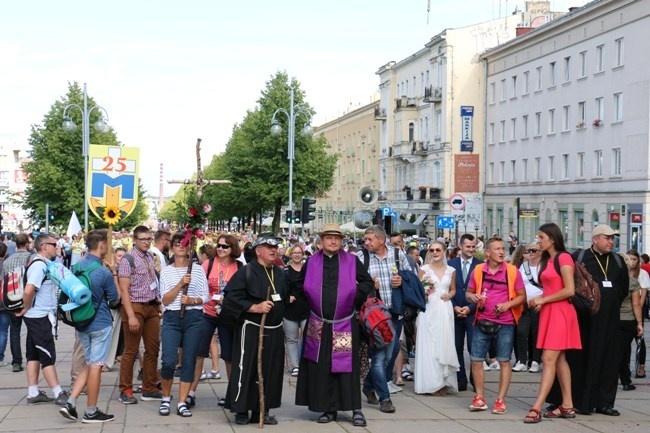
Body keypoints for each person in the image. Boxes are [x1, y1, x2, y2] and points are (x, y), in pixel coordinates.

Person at [295, 223, 374, 426]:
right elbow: (299, 286)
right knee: (323, 368)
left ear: (341, 241)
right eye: (329, 238)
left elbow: (367, 282)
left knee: (347, 368)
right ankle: (328, 408)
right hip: (318, 324)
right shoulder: (311, 262)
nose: (333, 241)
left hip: (344, 324)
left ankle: (356, 409)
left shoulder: (352, 261)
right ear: (321, 241)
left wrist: (355, 297)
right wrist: (308, 306)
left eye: (336, 238)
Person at [222, 232, 288, 425]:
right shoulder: (247, 271)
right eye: (269, 247)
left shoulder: (280, 272)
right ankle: (241, 410)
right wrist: (254, 307)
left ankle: (263, 409)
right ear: (258, 251)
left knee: (271, 370)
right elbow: (232, 299)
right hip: (251, 328)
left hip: (274, 328)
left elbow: (285, 295)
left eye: (275, 247)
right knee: (247, 368)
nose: (273, 250)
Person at [59, 230, 120, 423]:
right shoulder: (102, 271)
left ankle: (70, 402)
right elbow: (114, 300)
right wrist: (114, 273)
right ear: (101, 245)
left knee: (89, 362)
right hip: (100, 323)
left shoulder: (77, 267)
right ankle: (91, 411)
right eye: (106, 244)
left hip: (82, 323)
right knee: (96, 366)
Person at [524, 223, 581, 423]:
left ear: (553, 239)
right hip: (552, 311)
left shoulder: (564, 258)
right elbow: (552, 288)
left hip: (561, 312)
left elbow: (569, 290)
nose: (538, 240)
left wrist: (542, 300)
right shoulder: (549, 259)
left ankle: (537, 406)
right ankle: (567, 404)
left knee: (548, 359)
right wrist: (543, 300)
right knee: (558, 360)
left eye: (541, 237)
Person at [465, 236, 525, 414]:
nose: (501, 252)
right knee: (476, 360)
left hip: (505, 323)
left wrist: (508, 304)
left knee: (504, 361)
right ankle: (479, 397)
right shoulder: (478, 270)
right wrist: (473, 297)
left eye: (502, 249)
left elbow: (522, 296)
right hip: (481, 321)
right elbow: (468, 293)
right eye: (497, 249)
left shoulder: (512, 271)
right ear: (488, 252)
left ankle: (500, 400)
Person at [356, 225, 412, 413]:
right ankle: (385, 398)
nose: (367, 242)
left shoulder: (398, 255)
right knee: (380, 356)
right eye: (366, 239)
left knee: (391, 353)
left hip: (394, 313)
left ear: (381, 240)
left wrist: (402, 281)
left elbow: (410, 278)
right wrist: (368, 286)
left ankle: (369, 386)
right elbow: (353, 284)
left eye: (370, 239)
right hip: (373, 317)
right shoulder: (361, 257)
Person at [158, 231, 208, 417]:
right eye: (177, 243)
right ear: (171, 247)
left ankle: (181, 402)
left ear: (189, 247)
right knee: (169, 360)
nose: (180, 246)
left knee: (188, 361)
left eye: (184, 243)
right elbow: (165, 300)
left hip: (193, 318)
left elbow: (205, 296)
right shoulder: (166, 271)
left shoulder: (197, 269)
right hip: (172, 318)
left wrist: (192, 300)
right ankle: (165, 398)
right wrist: (180, 284)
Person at [16, 233, 69, 405]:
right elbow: (29, 290)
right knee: (47, 355)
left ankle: (33, 392)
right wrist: (25, 307)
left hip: (35, 315)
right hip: (39, 316)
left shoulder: (41, 263)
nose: (57, 246)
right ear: (45, 246)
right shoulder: (39, 265)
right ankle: (58, 393)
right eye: (54, 244)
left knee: (34, 354)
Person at [191, 234, 241, 407]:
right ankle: (190, 392)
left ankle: (232, 394)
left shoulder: (240, 267)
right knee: (198, 352)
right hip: (207, 313)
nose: (220, 249)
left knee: (229, 356)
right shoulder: (209, 264)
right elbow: (197, 285)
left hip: (228, 316)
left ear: (232, 249)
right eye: (219, 245)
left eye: (225, 246)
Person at [117, 226, 163, 405]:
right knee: (131, 350)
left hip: (151, 306)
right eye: (143, 239)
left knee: (153, 349)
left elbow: (153, 282)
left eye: (149, 239)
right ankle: (125, 389)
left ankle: (149, 387)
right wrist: (131, 315)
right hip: (135, 307)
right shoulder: (128, 259)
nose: (146, 242)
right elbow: (124, 290)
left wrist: (158, 303)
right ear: (134, 239)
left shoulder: (150, 256)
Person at [414, 240, 459, 395]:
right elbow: (418, 290)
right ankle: (431, 383)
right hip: (429, 308)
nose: (435, 253)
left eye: (438, 250)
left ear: (444, 251)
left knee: (444, 342)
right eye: (432, 250)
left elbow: (454, 289)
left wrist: (450, 295)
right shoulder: (423, 270)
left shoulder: (451, 270)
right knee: (429, 345)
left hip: (444, 308)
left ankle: (443, 381)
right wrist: (425, 294)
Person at [448, 233, 483, 391]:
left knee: (474, 347)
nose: (471, 249)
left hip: (473, 313)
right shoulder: (451, 264)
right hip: (455, 312)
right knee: (456, 347)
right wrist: (455, 306)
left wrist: (470, 308)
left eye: (473, 247)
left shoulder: (480, 265)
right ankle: (460, 379)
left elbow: (483, 291)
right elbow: (448, 289)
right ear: (460, 246)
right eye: (468, 246)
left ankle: (475, 379)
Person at [2, 233, 33, 372]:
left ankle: (16, 362)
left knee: (14, 331)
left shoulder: (8, 261)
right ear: (26, 244)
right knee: (31, 330)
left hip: (12, 299)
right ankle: (31, 359)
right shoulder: (31, 258)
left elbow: (4, 281)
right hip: (28, 299)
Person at [617, 251, 644, 392]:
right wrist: (639, 323)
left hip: (612, 320)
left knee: (616, 351)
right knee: (622, 352)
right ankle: (626, 381)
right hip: (628, 320)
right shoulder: (632, 282)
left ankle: (622, 379)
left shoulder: (610, 281)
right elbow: (636, 304)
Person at [514, 242, 543, 373]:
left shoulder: (544, 267)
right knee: (521, 331)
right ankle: (522, 360)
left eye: (534, 250)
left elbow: (549, 287)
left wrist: (542, 301)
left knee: (536, 333)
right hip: (524, 304)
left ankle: (535, 360)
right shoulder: (523, 267)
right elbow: (519, 284)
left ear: (541, 252)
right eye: (529, 250)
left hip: (539, 304)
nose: (531, 253)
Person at [283, 244, 310, 377]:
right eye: (294, 253)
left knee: (307, 337)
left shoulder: (308, 269)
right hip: (290, 309)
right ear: (290, 255)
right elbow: (280, 288)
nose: (297, 255)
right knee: (291, 339)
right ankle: (295, 365)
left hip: (306, 308)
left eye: (299, 252)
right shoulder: (285, 270)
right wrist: (287, 297)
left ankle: (305, 363)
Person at [628, 249, 649, 378]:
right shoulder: (622, 272)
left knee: (639, 338)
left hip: (638, 308)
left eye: (635, 259)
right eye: (630, 259)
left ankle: (641, 367)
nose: (632, 262)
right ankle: (625, 367)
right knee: (625, 341)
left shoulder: (643, 274)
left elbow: (643, 294)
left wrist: (638, 313)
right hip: (625, 310)